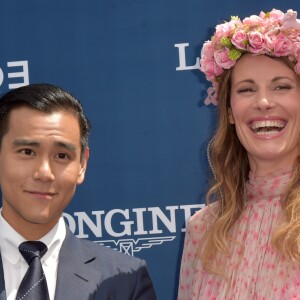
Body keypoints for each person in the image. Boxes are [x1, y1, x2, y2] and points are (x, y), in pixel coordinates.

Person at [178, 8, 300, 300]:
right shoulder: (203, 229)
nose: (264, 102)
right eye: (246, 90)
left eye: (281, 86)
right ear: (230, 112)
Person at [0, 83, 157, 300]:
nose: (45, 173)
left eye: (61, 156)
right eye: (27, 152)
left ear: (82, 165)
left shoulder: (126, 281)